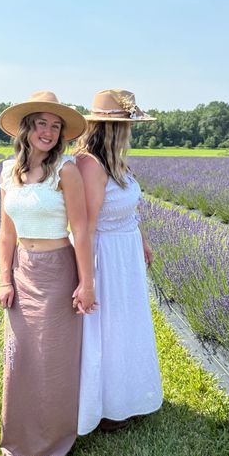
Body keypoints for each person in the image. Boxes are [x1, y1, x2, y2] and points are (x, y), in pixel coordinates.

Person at [0, 91, 96, 456]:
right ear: (26, 128)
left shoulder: (65, 170)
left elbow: (81, 231)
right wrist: (4, 279)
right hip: (23, 271)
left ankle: (53, 440)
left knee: (53, 358)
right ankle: (19, 436)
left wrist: (86, 283)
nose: (49, 132)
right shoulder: (7, 171)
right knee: (19, 356)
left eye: (56, 126)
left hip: (57, 270)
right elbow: (6, 233)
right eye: (42, 123)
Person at [74, 89, 163, 435]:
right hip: (104, 256)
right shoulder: (91, 165)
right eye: (127, 125)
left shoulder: (117, 160)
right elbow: (86, 226)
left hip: (124, 253)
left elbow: (129, 211)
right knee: (106, 330)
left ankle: (126, 397)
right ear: (109, 128)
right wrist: (88, 279)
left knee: (126, 326)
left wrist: (141, 242)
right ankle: (107, 406)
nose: (130, 131)